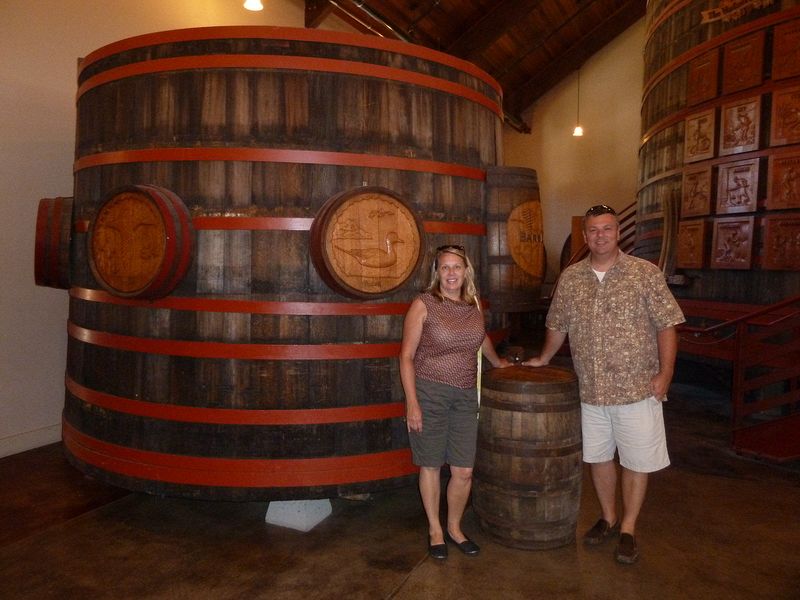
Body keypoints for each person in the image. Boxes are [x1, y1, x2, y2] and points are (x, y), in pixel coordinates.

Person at [522, 204, 685, 565]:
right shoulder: (571, 278)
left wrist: (666, 373)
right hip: (591, 390)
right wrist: (545, 357)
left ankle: (628, 527)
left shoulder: (645, 273)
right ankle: (608, 517)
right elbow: (558, 324)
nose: (600, 235)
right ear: (585, 235)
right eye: (593, 230)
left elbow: (666, 325)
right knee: (598, 459)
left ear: (617, 232)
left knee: (636, 461)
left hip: (637, 388)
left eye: (607, 229)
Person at [399, 244, 512, 560]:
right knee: (431, 464)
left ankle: (454, 527)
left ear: (466, 272)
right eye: (445, 267)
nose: (451, 273)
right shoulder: (424, 304)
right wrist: (412, 403)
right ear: (437, 272)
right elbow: (406, 357)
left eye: (456, 267)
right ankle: (435, 529)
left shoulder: (472, 304)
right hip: (430, 393)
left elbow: (480, 337)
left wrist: (498, 362)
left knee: (463, 470)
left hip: (465, 395)